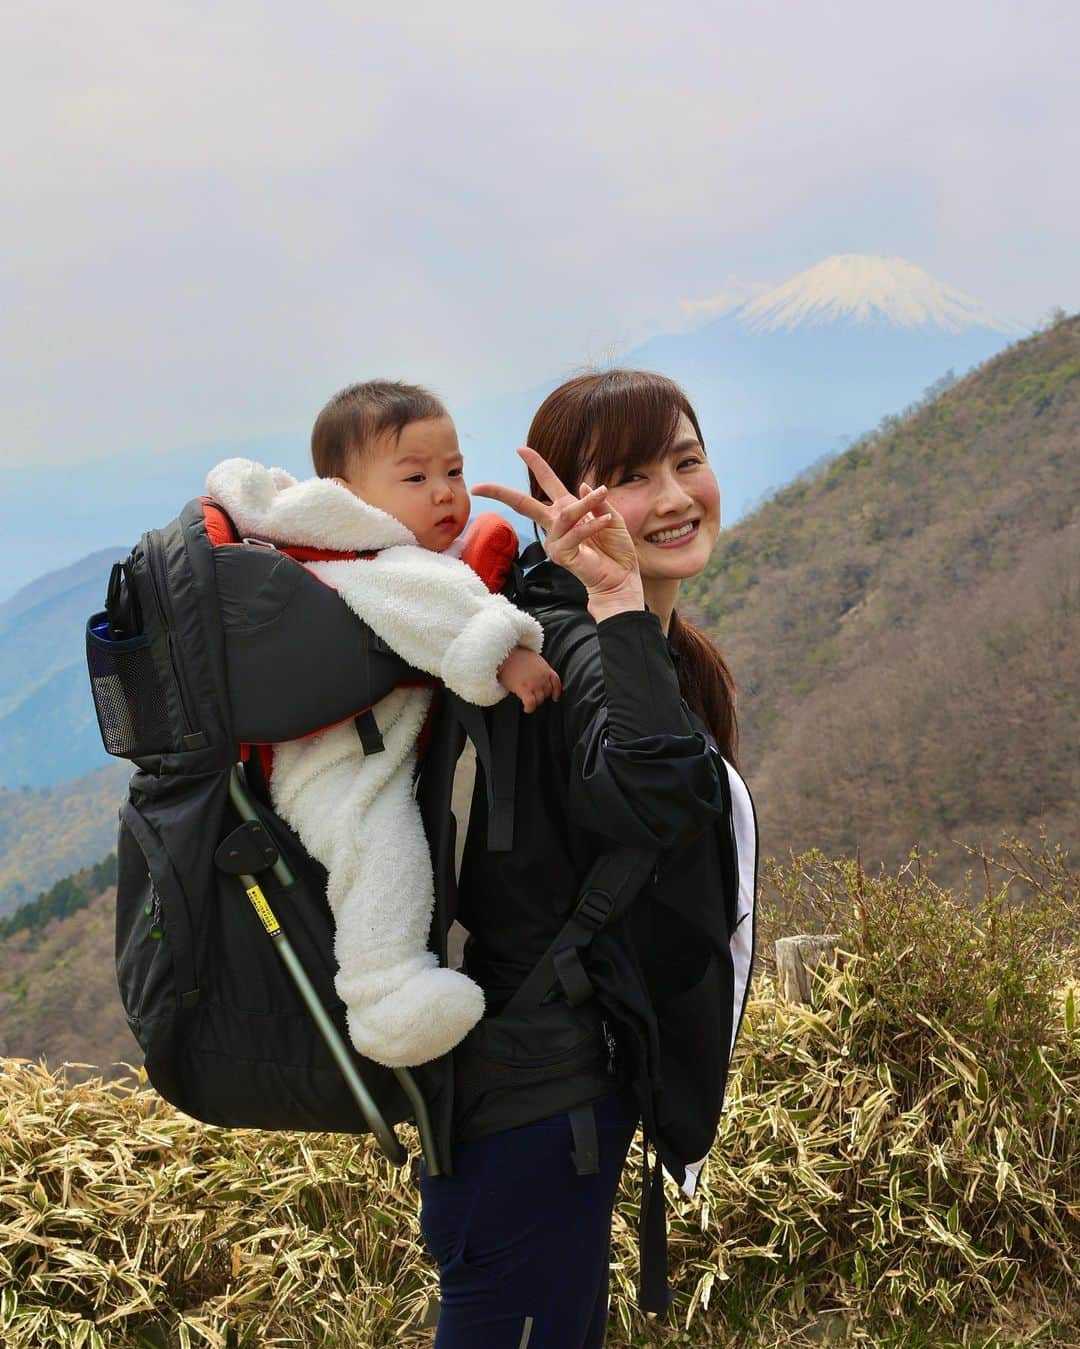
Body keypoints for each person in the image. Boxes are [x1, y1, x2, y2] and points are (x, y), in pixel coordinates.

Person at [418, 369, 753, 1348]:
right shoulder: (572, 646)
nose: (679, 495)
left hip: (548, 1100)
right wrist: (611, 594)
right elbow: (644, 793)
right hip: (532, 1109)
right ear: (569, 506)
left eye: (687, 460)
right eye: (633, 476)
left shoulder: (628, 641)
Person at [204, 381, 562, 1069]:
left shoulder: (336, 541)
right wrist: (508, 654)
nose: (444, 493)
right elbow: (435, 605)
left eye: (453, 471)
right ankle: (385, 998)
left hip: (339, 748)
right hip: (331, 768)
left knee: (382, 850)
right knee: (383, 853)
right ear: (347, 491)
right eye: (416, 476)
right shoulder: (376, 560)